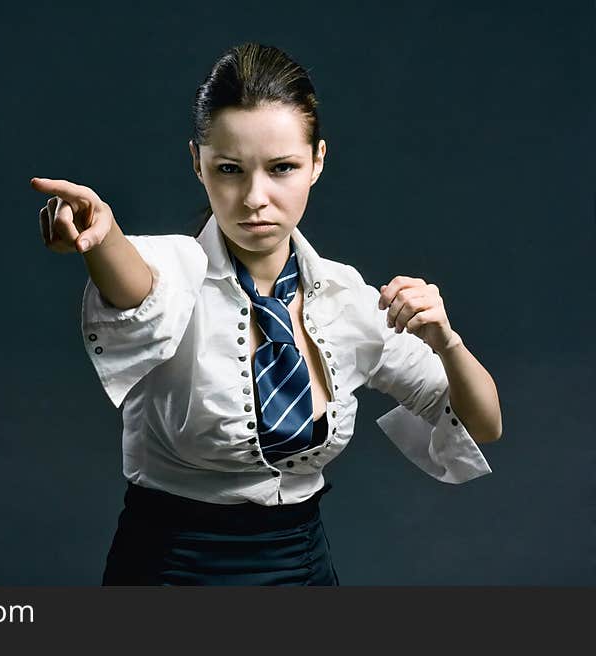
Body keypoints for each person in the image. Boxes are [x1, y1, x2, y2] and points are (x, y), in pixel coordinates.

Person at [31, 42, 503, 586]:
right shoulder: (175, 270)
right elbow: (139, 285)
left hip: (301, 569)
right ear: (197, 165)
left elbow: (481, 425)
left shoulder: (346, 297)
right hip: (170, 567)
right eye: (229, 169)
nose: (255, 196)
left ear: (317, 162)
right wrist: (102, 235)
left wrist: (447, 342)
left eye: (282, 168)